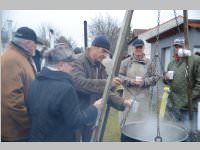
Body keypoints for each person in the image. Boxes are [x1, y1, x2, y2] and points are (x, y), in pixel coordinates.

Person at [26, 47, 102, 142]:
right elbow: (75, 122)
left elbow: (30, 111)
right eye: (70, 65)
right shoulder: (66, 89)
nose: (72, 68)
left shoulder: (35, 82)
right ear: (61, 65)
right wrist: (94, 108)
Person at [71, 35, 132, 141]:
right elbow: (79, 83)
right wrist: (108, 83)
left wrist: (123, 102)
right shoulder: (78, 61)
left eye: (106, 52)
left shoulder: (100, 67)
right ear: (93, 47)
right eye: (103, 51)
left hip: (92, 115)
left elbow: (106, 91)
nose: (104, 55)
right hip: (77, 114)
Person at [1, 27, 39, 142]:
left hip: (19, 129)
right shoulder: (11, 60)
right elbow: (12, 100)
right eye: (34, 44)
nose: (36, 47)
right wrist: (29, 123)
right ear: (27, 44)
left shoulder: (20, 57)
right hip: (16, 132)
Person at [119, 39, 160, 142]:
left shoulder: (149, 63)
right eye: (136, 47)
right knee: (127, 123)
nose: (138, 50)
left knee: (141, 123)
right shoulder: (125, 62)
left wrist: (145, 82)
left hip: (144, 99)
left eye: (140, 47)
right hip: (128, 98)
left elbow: (157, 76)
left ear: (143, 48)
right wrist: (129, 81)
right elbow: (119, 76)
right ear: (133, 48)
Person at [164, 38, 200, 142]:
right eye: (176, 46)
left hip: (189, 107)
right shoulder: (172, 63)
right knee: (178, 134)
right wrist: (165, 79)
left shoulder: (195, 60)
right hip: (175, 106)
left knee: (190, 134)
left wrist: (188, 98)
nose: (178, 49)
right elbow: (168, 82)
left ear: (186, 47)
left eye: (180, 46)